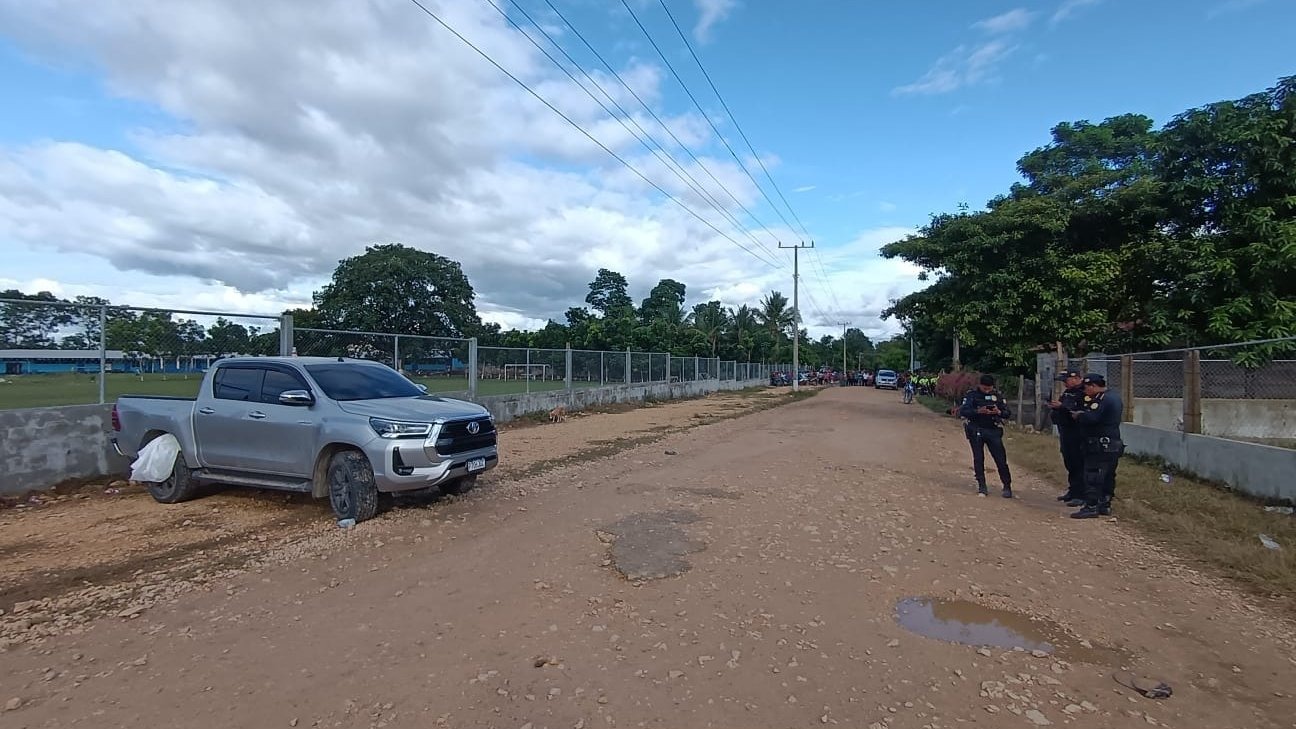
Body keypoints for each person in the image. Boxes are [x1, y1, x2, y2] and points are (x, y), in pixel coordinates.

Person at [1070, 373, 1123, 519]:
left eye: (1086, 388)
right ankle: (1104, 505)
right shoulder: (1114, 396)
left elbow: (1092, 417)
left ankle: (1091, 506)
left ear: (1093, 386)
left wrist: (1079, 415)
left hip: (1100, 445)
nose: (1085, 391)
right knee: (1108, 476)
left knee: (1093, 475)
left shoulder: (1103, 399)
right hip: (1112, 443)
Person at [958, 374, 1013, 498]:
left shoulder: (997, 396)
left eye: (989, 388)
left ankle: (1007, 485)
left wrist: (998, 412)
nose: (987, 390)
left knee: (1000, 459)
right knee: (978, 458)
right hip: (976, 429)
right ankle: (982, 485)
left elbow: (1007, 413)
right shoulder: (972, 395)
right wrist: (978, 411)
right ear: (980, 385)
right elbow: (963, 411)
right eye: (985, 388)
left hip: (993, 430)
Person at [1046, 369, 1088, 505]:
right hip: (1066, 432)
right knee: (1069, 462)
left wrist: (1062, 406)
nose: (1064, 383)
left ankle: (1081, 495)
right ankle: (1073, 491)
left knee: (1078, 463)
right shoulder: (1069, 391)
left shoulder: (1084, 392)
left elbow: (1079, 411)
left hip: (1077, 433)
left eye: (1066, 380)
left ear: (1075, 378)